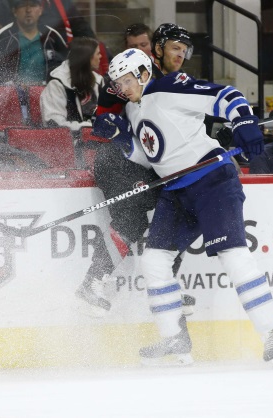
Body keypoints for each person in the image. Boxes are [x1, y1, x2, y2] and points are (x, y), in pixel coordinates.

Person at [102, 48, 273, 367]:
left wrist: (243, 120)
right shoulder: (133, 111)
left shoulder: (169, 87)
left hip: (212, 180)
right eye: (118, 84)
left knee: (234, 257)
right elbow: (151, 154)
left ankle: (271, 335)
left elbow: (226, 94)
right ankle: (175, 337)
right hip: (176, 191)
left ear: (145, 73)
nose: (123, 89)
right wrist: (122, 143)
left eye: (127, 81)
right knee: (154, 260)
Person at [74, 24, 195, 318]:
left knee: (176, 212)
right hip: (120, 161)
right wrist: (112, 126)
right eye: (175, 48)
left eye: (185, 50)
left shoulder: (175, 83)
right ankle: (92, 283)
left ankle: (166, 287)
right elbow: (104, 119)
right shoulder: (134, 74)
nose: (181, 55)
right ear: (157, 49)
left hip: (148, 164)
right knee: (130, 218)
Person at [0, 0, 68, 86]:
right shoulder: (4, 36)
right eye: (23, 5)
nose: (28, 10)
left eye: (33, 5)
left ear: (40, 10)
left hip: (47, 93)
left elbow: (64, 68)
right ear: (14, 11)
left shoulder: (52, 35)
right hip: (13, 94)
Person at [39, 36, 103, 130]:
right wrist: (86, 128)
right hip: (69, 142)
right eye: (98, 53)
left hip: (98, 140)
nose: (100, 56)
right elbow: (53, 123)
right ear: (87, 58)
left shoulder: (99, 81)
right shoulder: (57, 83)